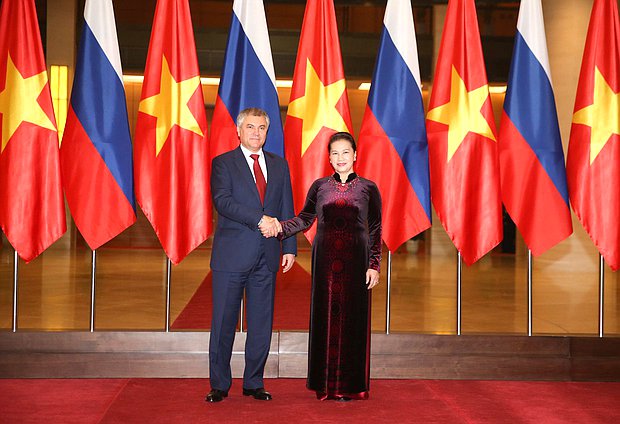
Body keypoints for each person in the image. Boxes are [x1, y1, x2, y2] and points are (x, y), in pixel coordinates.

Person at [264, 131, 382, 401]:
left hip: (357, 260)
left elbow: (375, 228)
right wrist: (278, 227)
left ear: (355, 155)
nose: (341, 158)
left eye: (345, 152)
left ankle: (350, 385)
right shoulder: (319, 186)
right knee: (325, 317)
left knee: (353, 319)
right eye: (335, 153)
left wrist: (374, 264)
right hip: (326, 260)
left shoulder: (368, 188)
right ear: (329, 158)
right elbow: (305, 219)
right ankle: (325, 383)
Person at [206, 108, 297, 403]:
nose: (256, 133)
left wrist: (290, 247)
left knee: (261, 322)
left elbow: (286, 208)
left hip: (268, 255)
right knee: (223, 322)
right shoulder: (223, 164)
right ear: (238, 130)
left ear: (267, 132)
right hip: (231, 255)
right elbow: (223, 202)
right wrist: (259, 220)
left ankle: (253, 382)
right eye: (250, 127)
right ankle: (219, 384)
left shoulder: (280, 166)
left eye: (261, 128)